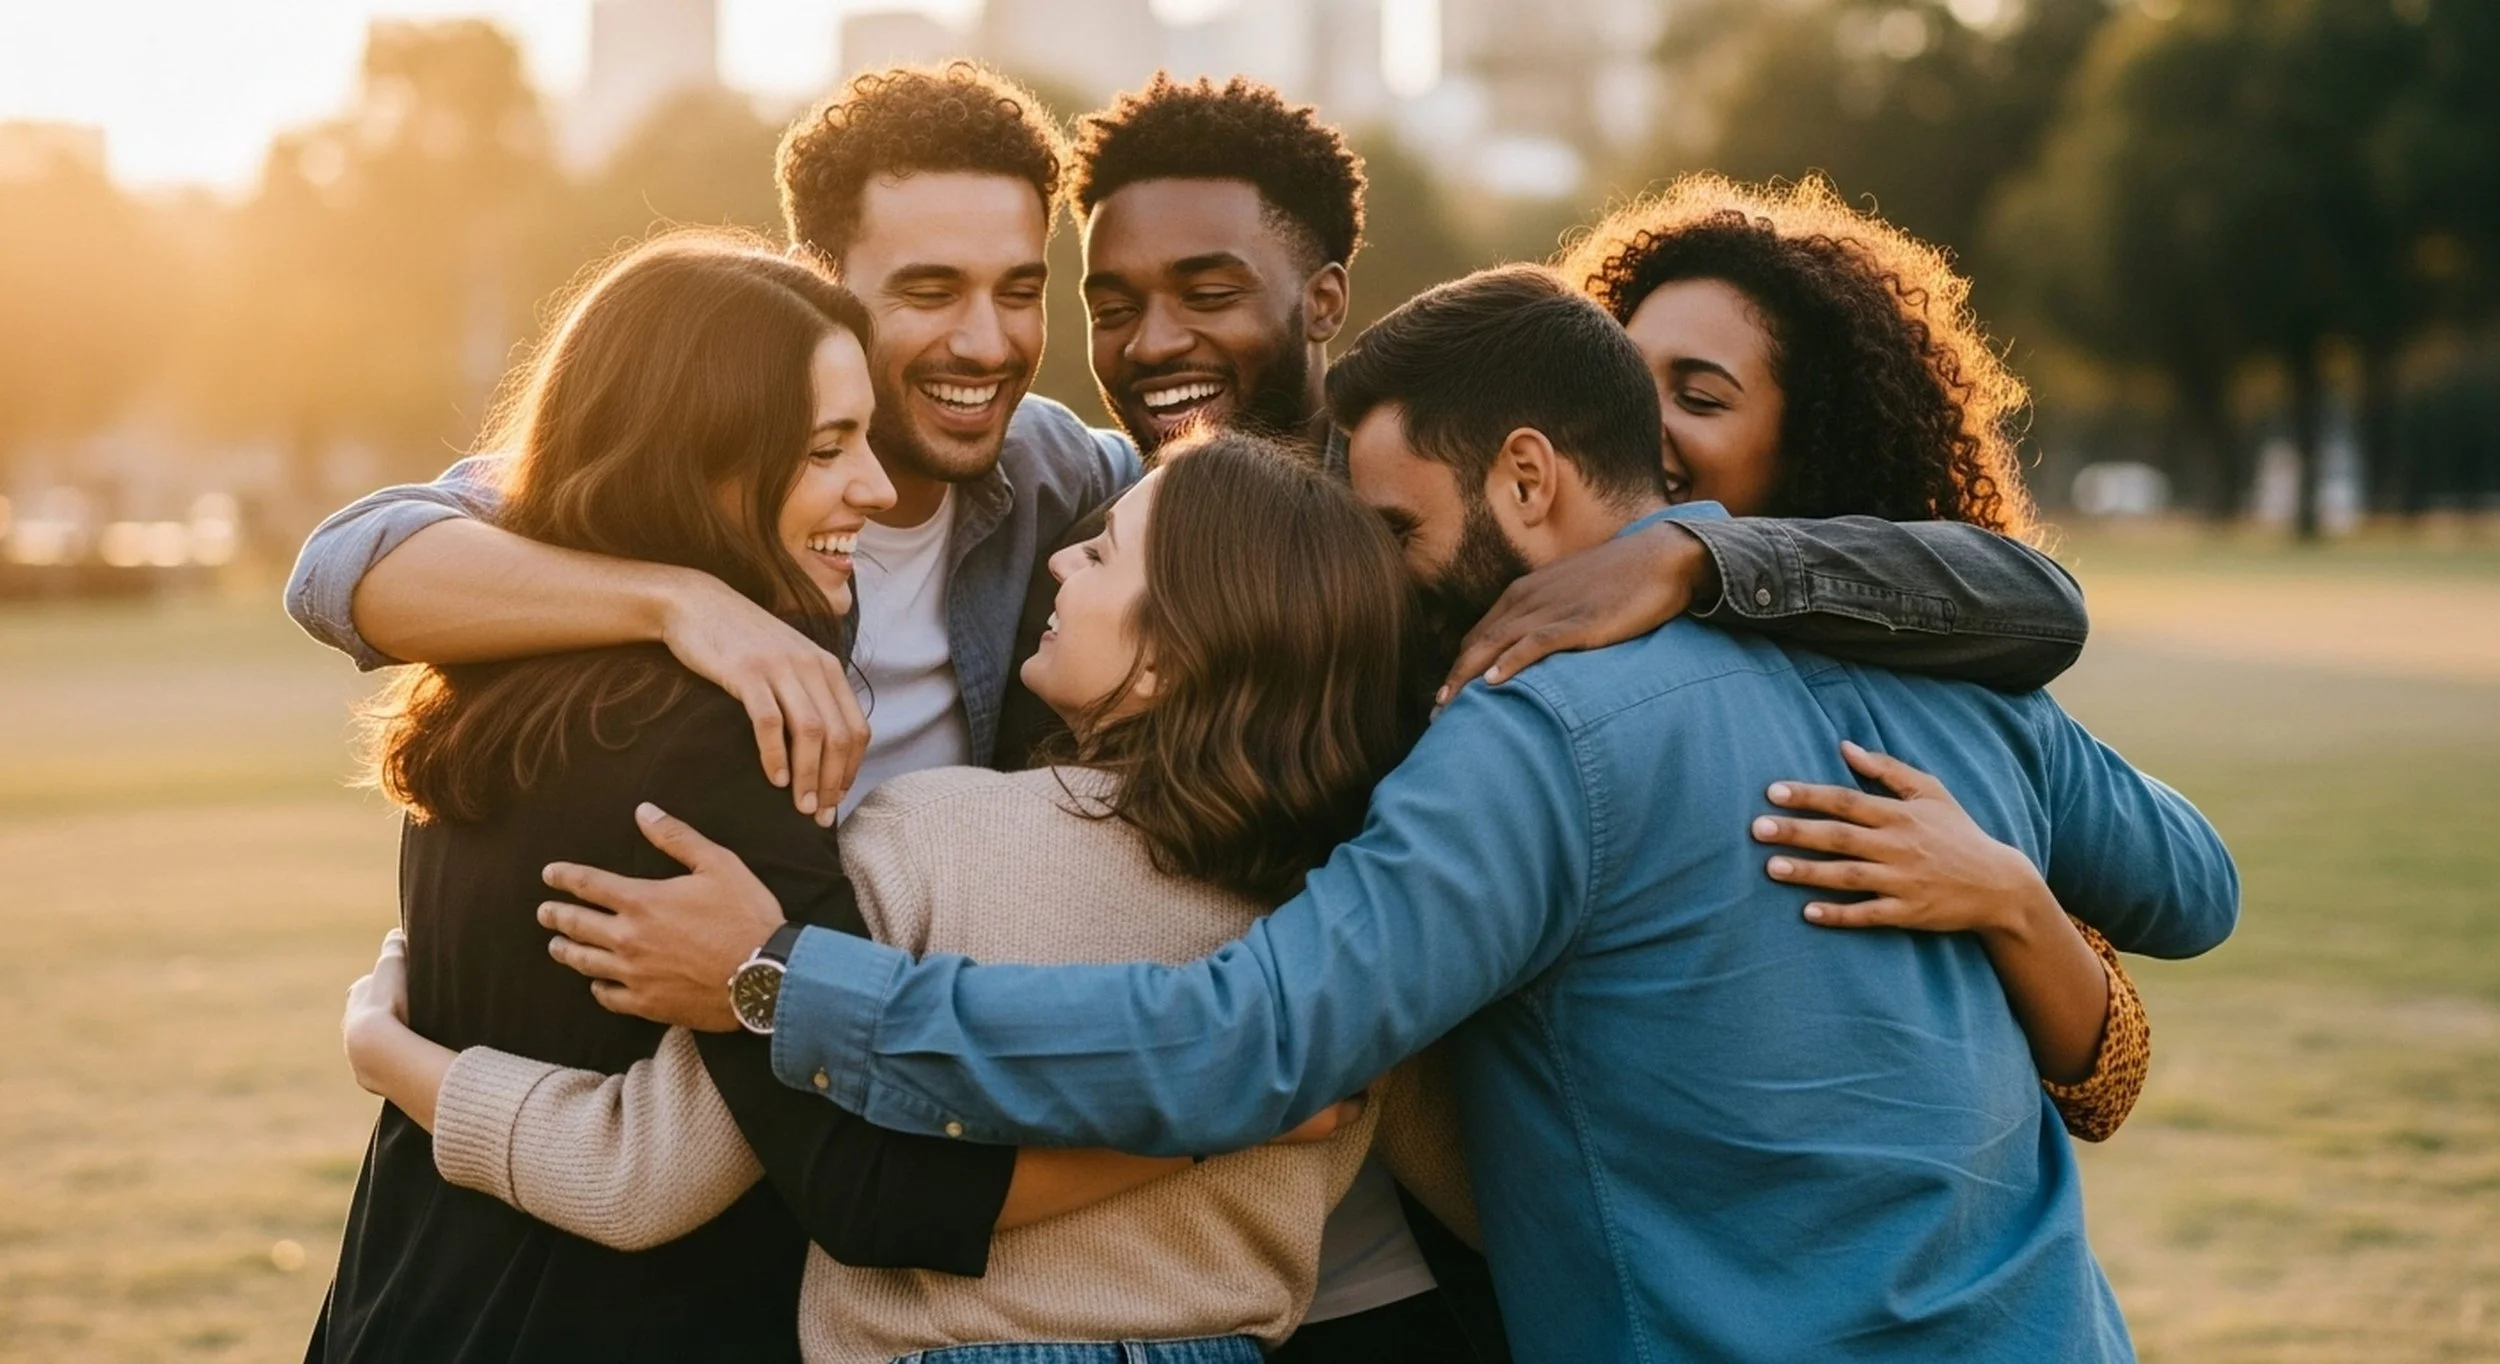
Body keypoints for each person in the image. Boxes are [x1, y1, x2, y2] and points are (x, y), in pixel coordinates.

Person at [533, 267, 2238, 1361]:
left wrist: (783, 981)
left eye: (1399, 524)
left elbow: (1238, 1044)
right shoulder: (1946, 674)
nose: (1385, 579)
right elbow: (2195, 882)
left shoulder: (1526, 734)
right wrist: (2020, 890)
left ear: (1526, 478)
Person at [342, 434, 1474, 1363]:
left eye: (1107, 551)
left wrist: (395, 1054)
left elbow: (643, 1176)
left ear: (1174, 654)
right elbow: (1488, 1180)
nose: (1064, 561)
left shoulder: (926, 840)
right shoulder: (1351, 924)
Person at [309, 235, 1190, 1364]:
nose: (874, 489)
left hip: (405, 1293)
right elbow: (869, 1183)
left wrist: (393, 1057)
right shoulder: (725, 733)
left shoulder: (496, 675)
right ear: (702, 462)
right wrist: (1221, 1110)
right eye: (829, 449)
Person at [1432, 173, 2169, 1118]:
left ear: (1810, 446)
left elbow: (2111, 1068)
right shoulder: (1506, 634)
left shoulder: (1896, 690)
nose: (1637, 424)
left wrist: (2012, 898)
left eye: (1698, 397)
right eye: (1617, 380)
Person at [284, 62, 1137, 823]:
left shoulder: (1060, 473)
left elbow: (1241, 498)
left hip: (881, 973)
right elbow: (342, 568)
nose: (987, 343)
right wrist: (687, 604)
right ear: (815, 279)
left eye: (1020, 291)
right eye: (931, 289)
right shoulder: (700, 475)